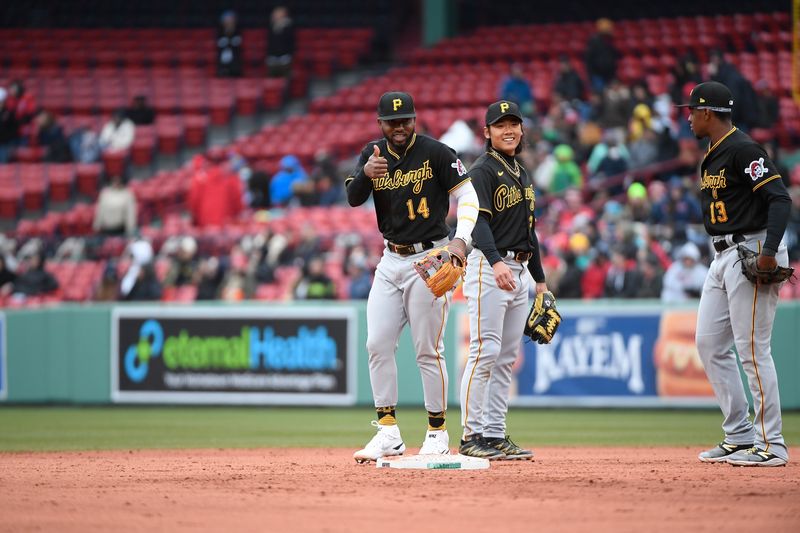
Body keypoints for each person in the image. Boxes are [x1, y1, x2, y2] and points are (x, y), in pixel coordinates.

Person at [346, 91, 480, 462]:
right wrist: (363, 175)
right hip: (391, 259)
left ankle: (437, 431)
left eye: (405, 119)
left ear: (415, 119)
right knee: (377, 343)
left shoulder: (436, 152)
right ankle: (388, 431)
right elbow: (354, 197)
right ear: (381, 124)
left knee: (427, 349)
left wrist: (461, 241)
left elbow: (468, 196)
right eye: (392, 121)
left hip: (431, 256)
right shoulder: (373, 154)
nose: (399, 126)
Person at [677, 81, 792, 466]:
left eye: (693, 111)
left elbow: (779, 199)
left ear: (709, 113)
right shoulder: (713, 151)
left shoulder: (743, 149)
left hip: (753, 249)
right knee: (709, 344)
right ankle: (740, 435)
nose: (689, 117)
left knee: (752, 351)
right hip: (722, 254)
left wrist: (770, 251)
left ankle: (771, 444)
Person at [459, 100, 547, 460]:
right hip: (488, 266)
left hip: (520, 269)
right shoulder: (481, 170)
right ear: (487, 133)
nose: (509, 130)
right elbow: (477, 222)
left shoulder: (521, 172)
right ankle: (470, 435)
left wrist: (540, 281)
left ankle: (494, 434)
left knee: (506, 356)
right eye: (500, 125)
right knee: (485, 351)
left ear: (522, 130)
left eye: (514, 124)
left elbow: (530, 231)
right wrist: (495, 262)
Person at [584, 18, 618, 94]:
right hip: (597, 74)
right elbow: (589, 59)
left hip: (609, 74)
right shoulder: (594, 41)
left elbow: (613, 57)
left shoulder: (610, 41)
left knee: (609, 95)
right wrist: (591, 73)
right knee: (599, 94)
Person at [266, 6, 295, 78]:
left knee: (285, 81)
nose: (276, 15)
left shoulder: (288, 26)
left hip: (284, 58)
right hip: (273, 58)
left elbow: (289, 41)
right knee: (272, 81)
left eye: (278, 14)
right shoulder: (272, 26)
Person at [216, 10, 243, 77]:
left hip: (235, 64)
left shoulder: (238, 32)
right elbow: (220, 44)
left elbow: (236, 43)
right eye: (227, 20)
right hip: (222, 63)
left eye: (230, 20)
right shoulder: (219, 33)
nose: (229, 22)